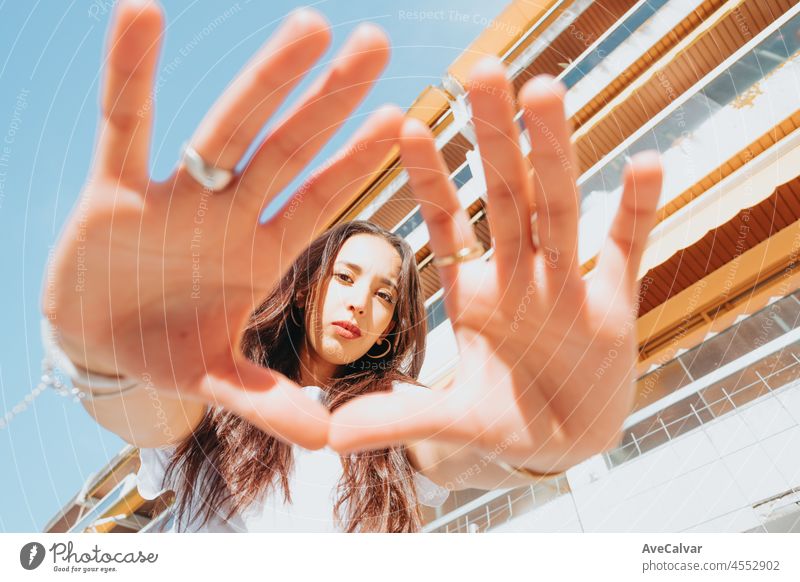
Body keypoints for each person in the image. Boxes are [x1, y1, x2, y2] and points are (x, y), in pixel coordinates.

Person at [40, 0, 664, 532]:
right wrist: (107, 362)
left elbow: (459, 443)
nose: (361, 303)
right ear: (307, 286)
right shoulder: (227, 379)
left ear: (392, 325)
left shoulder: (393, 414)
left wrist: (541, 436)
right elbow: (152, 409)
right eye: (344, 278)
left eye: (385, 295)